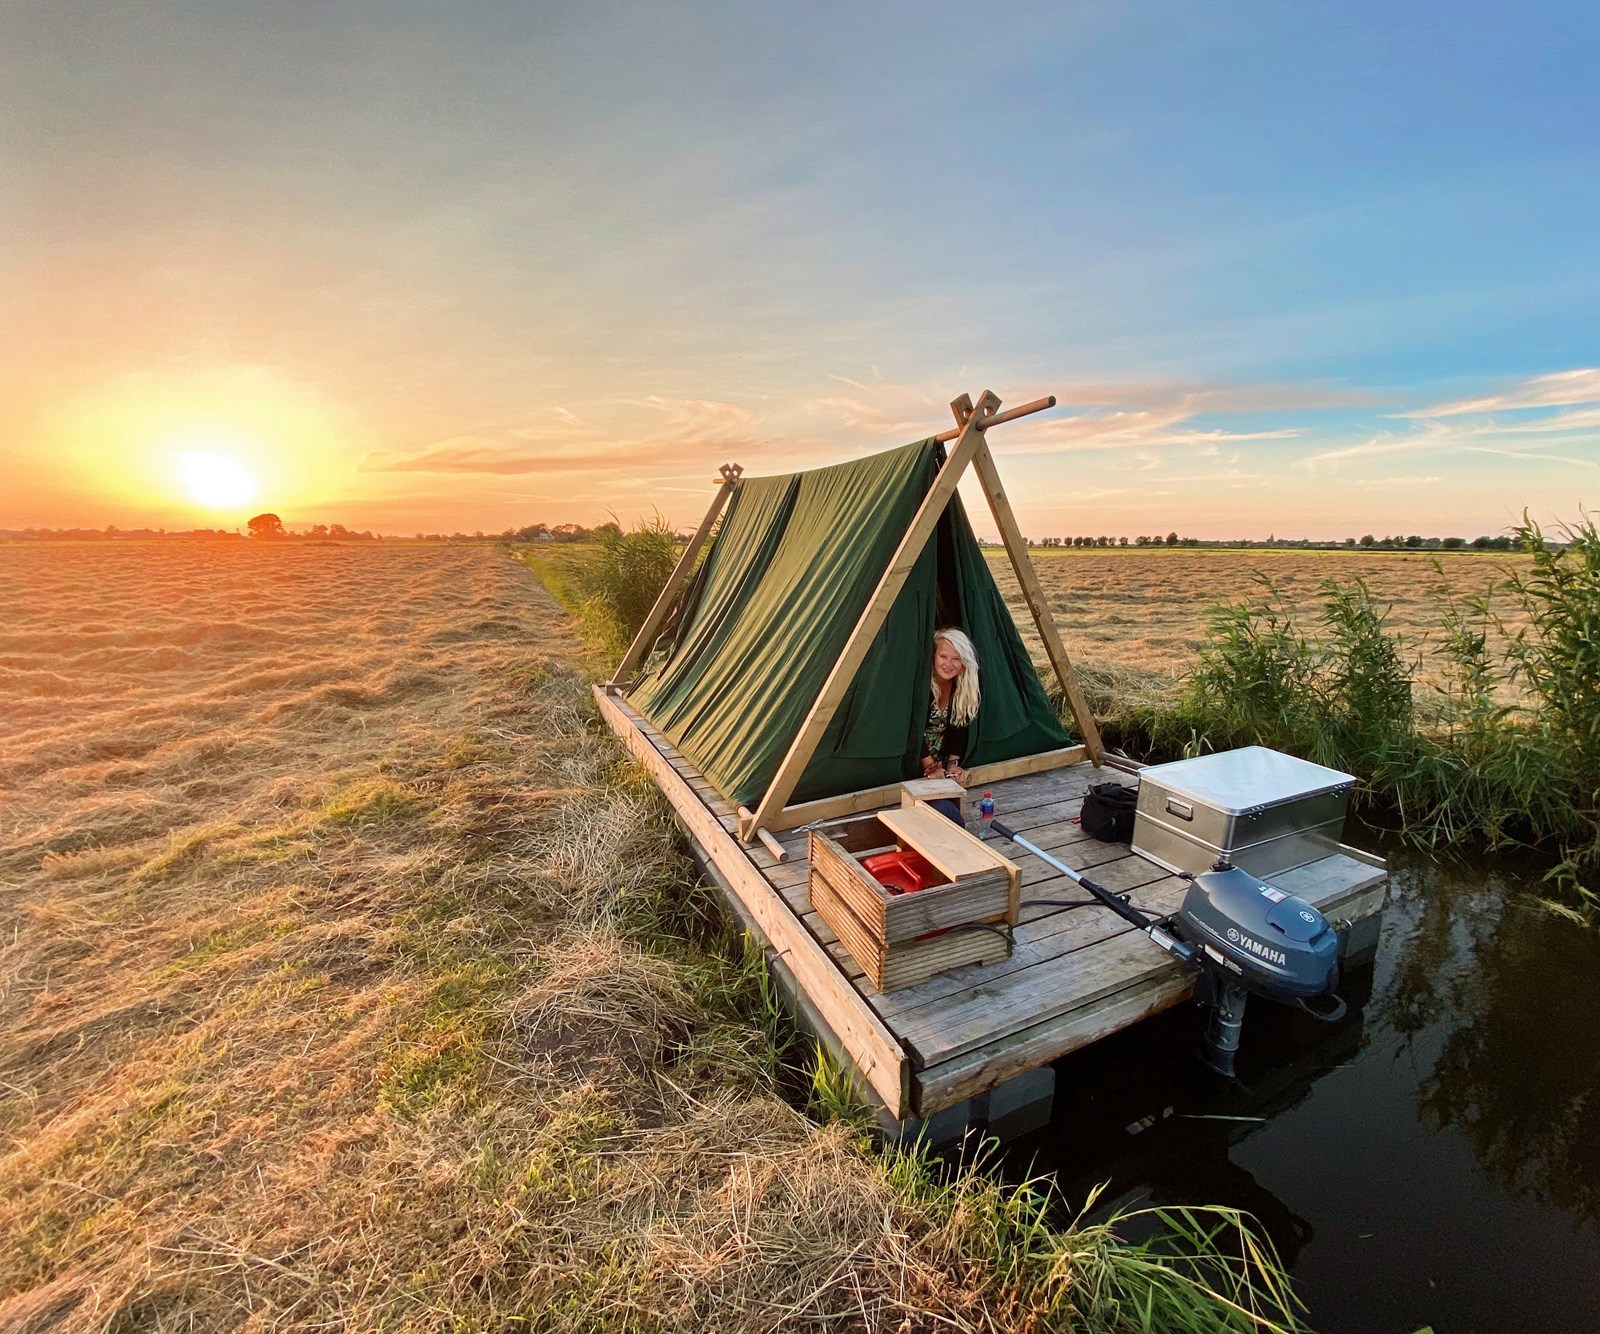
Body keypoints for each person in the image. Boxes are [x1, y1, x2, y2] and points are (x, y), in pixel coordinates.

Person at [919, 627, 979, 825]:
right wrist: (930, 766)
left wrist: (953, 765)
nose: (948, 664)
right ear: (933, 655)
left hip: (940, 767)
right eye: (943, 656)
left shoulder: (962, 687)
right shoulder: (921, 685)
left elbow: (960, 727)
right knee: (949, 816)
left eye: (956, 658)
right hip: (916, 763)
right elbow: (911, 732)